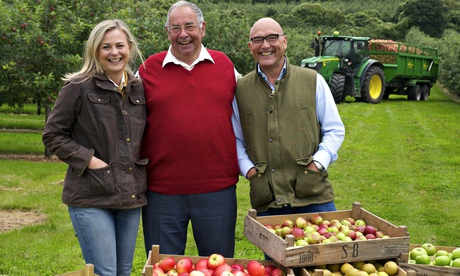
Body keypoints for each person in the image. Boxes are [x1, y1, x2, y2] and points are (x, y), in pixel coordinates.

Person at [42, 19, 147, 276]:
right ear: (95, 51)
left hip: (129, 196)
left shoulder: (140, 89)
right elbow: (53, 135)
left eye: (119, 45)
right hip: (91, 195)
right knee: (106, 272)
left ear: (130, 48)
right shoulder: (77, 87)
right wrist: (90, 161)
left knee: (123, 271)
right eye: (106, 47)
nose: (114, 52)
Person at [138, 0, 240, 257]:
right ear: (167, 32)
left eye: (189, 26)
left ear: (202, 28)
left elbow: (253, 110)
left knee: (220, 265)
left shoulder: (225, 66)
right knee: (163, 267)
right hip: (162, 191)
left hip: (217, 189)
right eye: (175, 28)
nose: (183, 34)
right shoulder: (148, 70)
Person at [234, 17, 345, 218]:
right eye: (258, 40)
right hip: (267, 200)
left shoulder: (312, 81)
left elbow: (334, 130)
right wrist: (250, 171)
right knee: (275, 250)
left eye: (272, 38)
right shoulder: (240, 89)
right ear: (250, 46)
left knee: (325, 249)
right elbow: (235, 138)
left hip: (313, 195)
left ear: (284, 41)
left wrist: (317, 164)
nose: (265, 45)